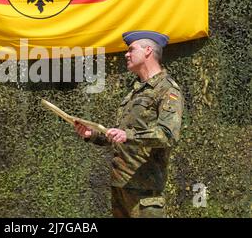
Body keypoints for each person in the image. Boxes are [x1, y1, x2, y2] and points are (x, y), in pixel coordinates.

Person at [74, 30, 184, 218]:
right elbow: (121, 136)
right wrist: (93, 135)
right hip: (121, 186)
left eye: (131, 49)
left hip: (145, 194)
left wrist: (128, 136)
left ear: (148, 50)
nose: (126, 54)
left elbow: (167, 135)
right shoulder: (134, 91)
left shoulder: (167, 90)